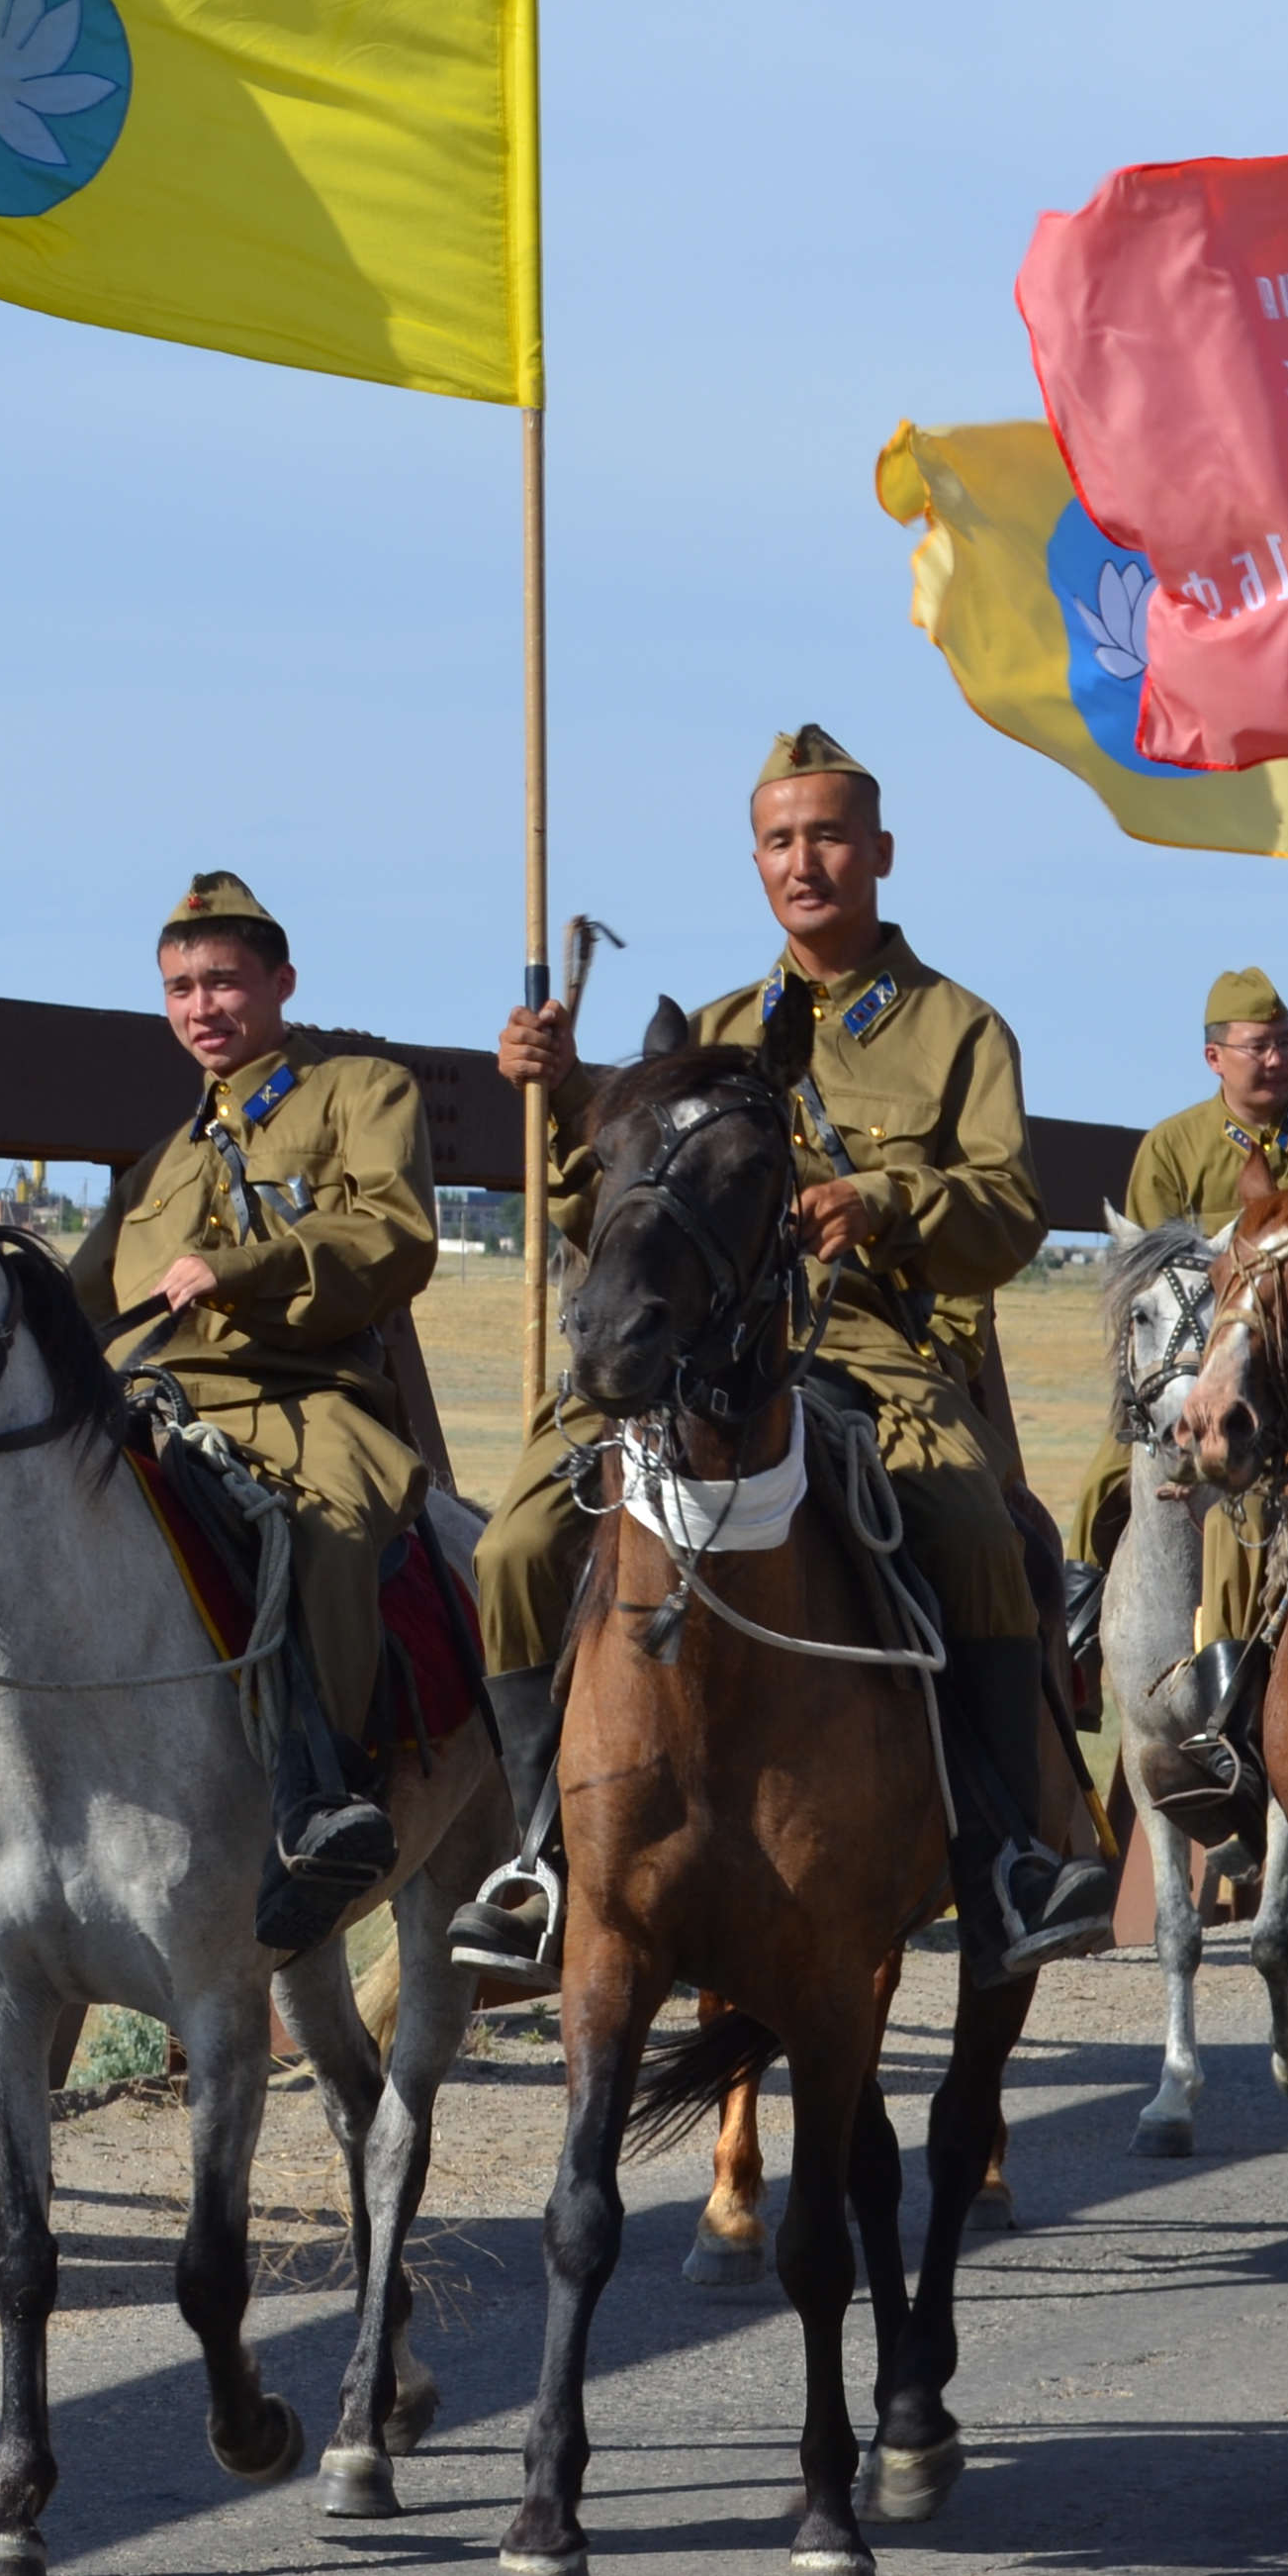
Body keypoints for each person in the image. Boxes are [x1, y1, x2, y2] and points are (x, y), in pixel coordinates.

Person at [448, 725, 1111, 1983]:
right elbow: (614, 1213)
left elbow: (1012, 1208)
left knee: (975, 1534)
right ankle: (541, 1855)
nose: (803, 861)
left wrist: (886, 1201)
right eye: (778, 840)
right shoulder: (707, 1027)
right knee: (518, 1542)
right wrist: (556, 1099)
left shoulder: (961, 1031)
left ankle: (1012, 1853)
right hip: (696, 1355)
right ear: (757, 859)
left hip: (869, 1344)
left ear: (880, 852)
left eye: (827, 836)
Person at [0, 872, 442, 1976]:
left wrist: (243, 1268)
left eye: (226, 982)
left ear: (280, 983)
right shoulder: (164, 1161)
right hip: (156, 1408)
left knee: (328, 1533)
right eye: (181, 987)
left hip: (302, 1396)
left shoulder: (360, 1092)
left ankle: (319, 1802)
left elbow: (394, 1234)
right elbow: (84, 1304)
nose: (203, 1006)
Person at [1078, 970, 1288, 1830]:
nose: (1275, 1059)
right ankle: (1091, 1661)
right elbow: (1145, 1277)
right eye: (1256, 1046)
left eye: (1285, 1044)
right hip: (1191, 1369)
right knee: (1100, 1495)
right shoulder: (1171, 1147)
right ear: (1214, 1058)